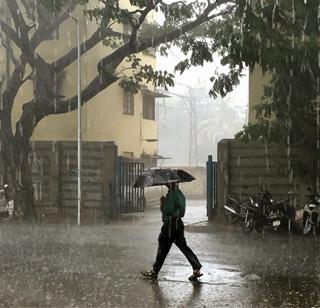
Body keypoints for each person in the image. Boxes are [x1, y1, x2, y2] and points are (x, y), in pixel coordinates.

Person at [142, 182, 202, 280]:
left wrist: (162, 203)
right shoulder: (180, 194)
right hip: (178, 224)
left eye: (167, 184)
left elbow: (166, 210)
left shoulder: (171, 195)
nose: (166, 185)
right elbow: (180, 210)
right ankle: (196, 267)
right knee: (183, 247)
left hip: (169, 226)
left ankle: (155, 271)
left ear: (170, 185)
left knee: (163, 247)